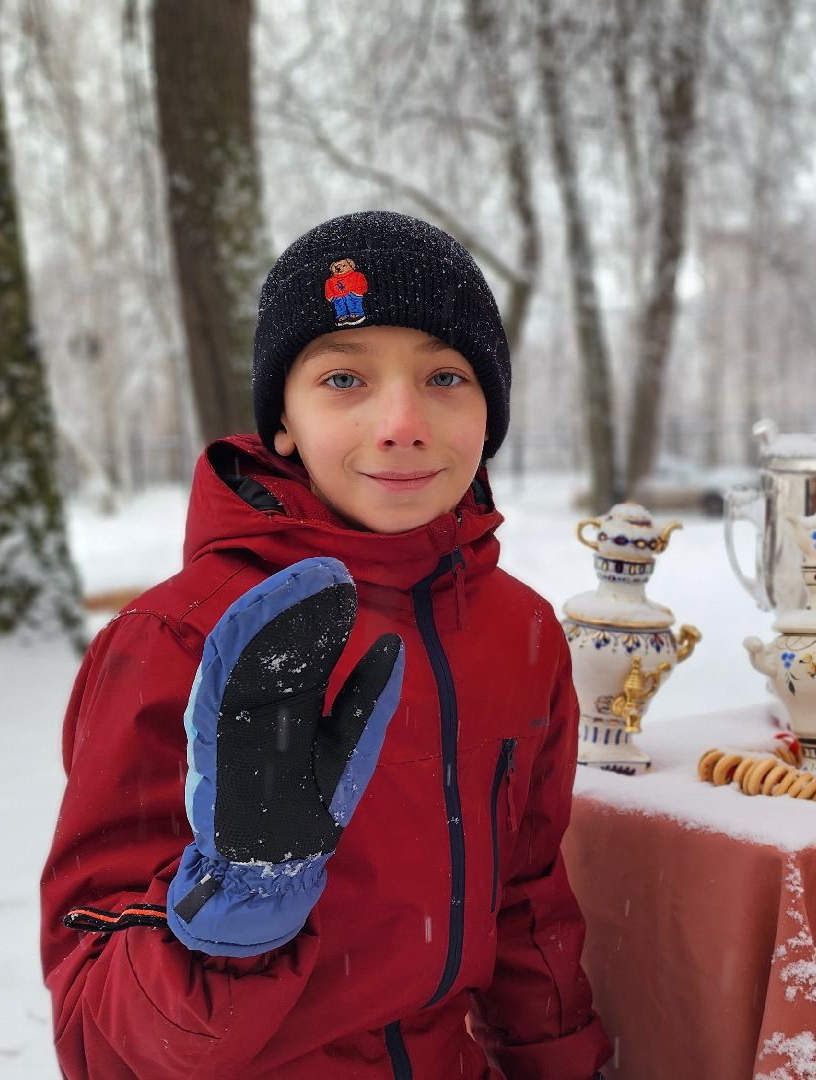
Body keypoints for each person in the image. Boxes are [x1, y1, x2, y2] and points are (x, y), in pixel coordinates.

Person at [41, 210, 611, 1079]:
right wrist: (236, 906)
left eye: (446, 376)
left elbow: (528, 899)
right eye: (344, 379)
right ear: (283, 423)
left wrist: (564, 1065)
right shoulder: (175, 640)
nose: (401, 422)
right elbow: (98, 1027)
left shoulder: (521, 634)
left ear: (490, 412)